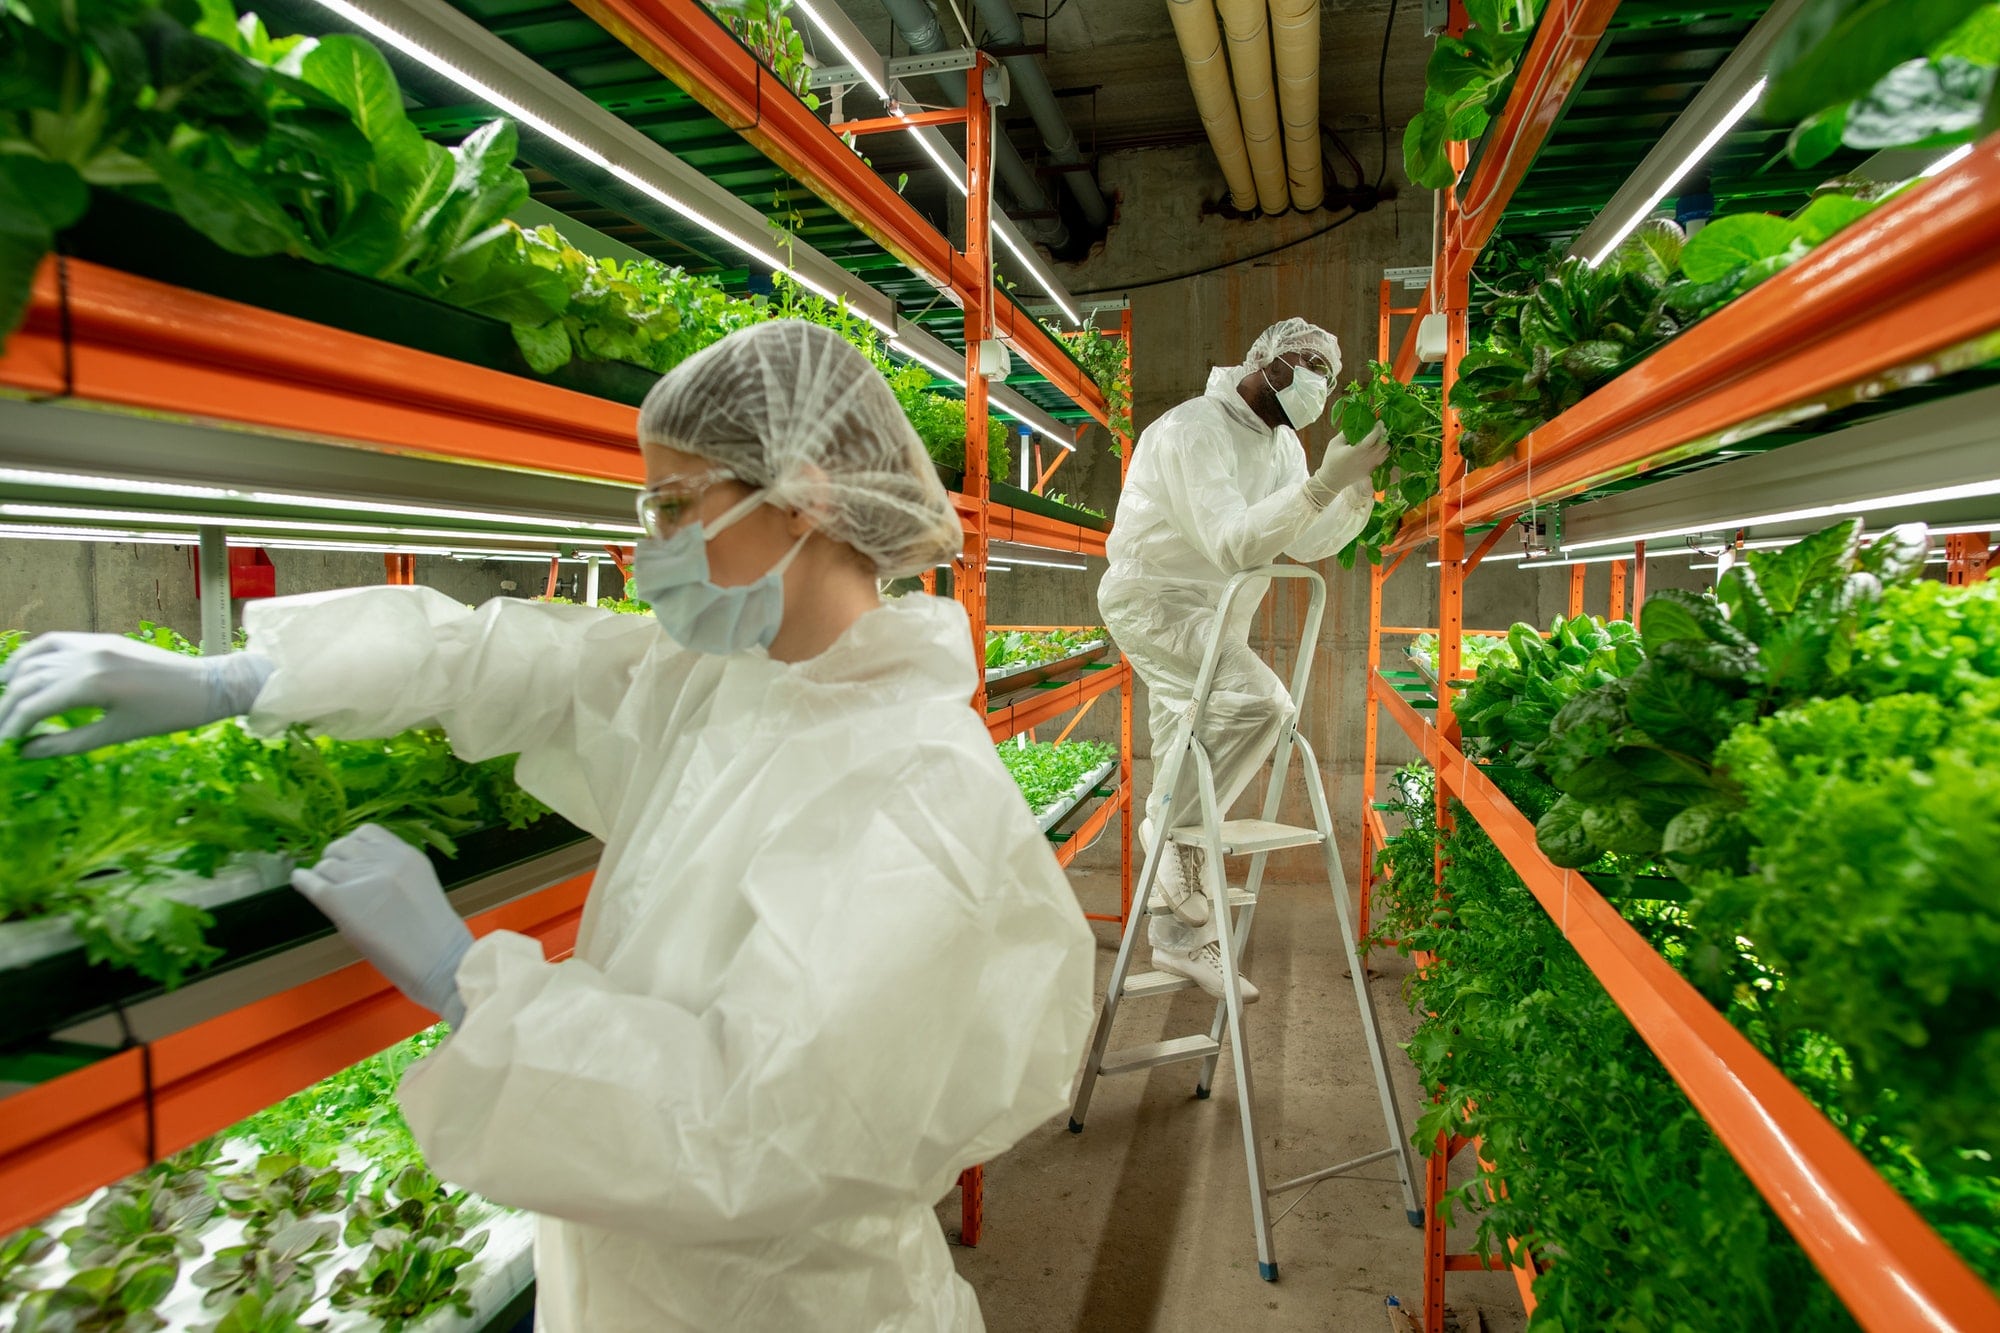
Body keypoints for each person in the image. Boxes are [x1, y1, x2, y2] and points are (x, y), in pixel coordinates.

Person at [0, 321, 1097, 1332]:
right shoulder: (732, 685)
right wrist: (243, 677)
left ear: (798, 496)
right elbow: (513, 662)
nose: (647, 546)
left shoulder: (909, 795)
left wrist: (466, 980)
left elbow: (750, 1131)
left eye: (671, 505)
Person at [1098, 318, 1386, 1001]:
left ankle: (1179, 942)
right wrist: (1319, 486)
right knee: (1261, 704)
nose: (1321, 380)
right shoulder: (1192, 428)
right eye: (1309, 362)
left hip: (1221, 616)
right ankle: (1169, 834)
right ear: (1267, 360)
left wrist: (1352, 493)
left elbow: (1307, 538)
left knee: (1185, 749)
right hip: (1158, 605)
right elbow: (1231, 541)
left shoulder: (1281, 443)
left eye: (1328, 370)